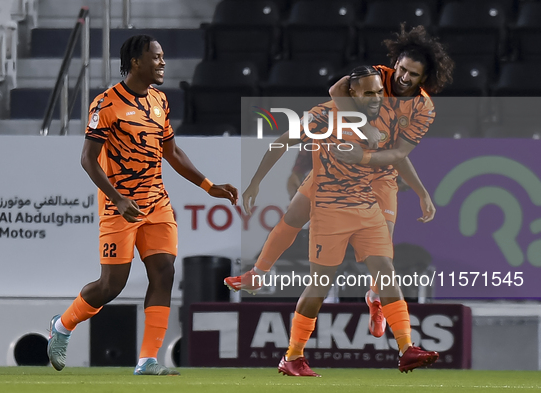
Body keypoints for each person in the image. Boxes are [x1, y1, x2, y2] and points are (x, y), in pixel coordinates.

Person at [225, 24, 453, 338]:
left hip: (380, 177)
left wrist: (420, 190)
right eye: (400, 69)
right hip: (334, 175)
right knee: (292, 218)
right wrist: (360, 124)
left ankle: (375, 299)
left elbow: (399, 153)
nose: (402, 77)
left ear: (423, 78)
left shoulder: (423, 108)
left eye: (412, 74)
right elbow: (332, 94)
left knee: (382, 254)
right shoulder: (365, 84)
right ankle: (259, 272)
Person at [47, 35, 238, 376]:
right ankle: (62, 326)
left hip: (156, 202)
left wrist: (208, 186)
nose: (163, 63)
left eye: (163, 57)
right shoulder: (106, 104)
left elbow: (173, 152)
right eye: (157, 57)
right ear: (136, 61)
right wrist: (118, 199)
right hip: (118, 206)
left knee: (164, 272)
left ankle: (147, 359)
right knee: (112, 285)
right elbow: (88, 159)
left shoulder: (159, 100)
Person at [241, 67, 439, 376]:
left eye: (379, 92)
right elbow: (282, 141)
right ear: (353, 95)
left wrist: (421, 191)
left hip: (368, 206)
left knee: (386, 272)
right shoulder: (324, 116)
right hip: (331, 209)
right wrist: (255, 183)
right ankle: (292, 356)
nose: (376, 98)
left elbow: (399, 155)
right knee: (319, 285)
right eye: (369, 93)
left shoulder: (385, 117)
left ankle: (406, 348)